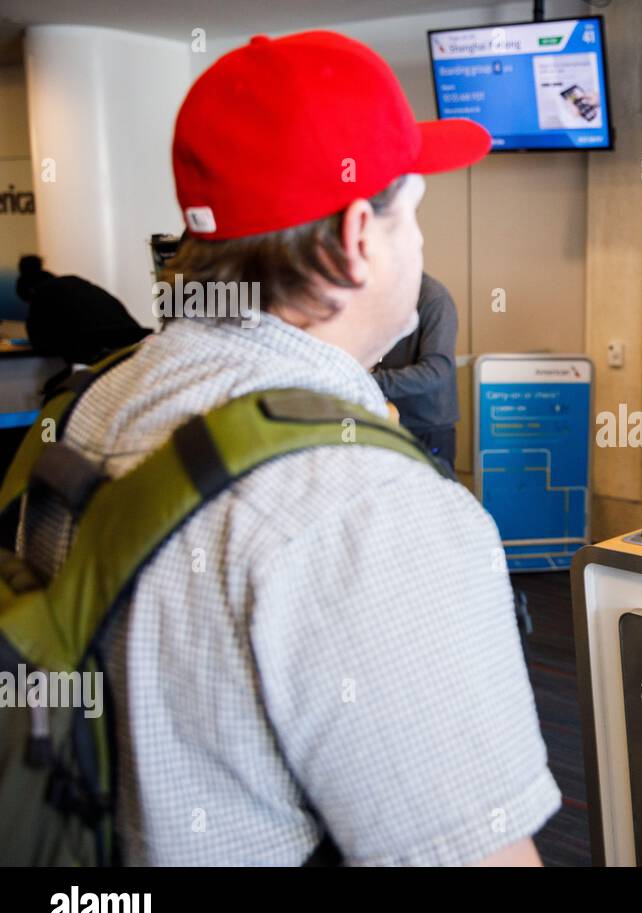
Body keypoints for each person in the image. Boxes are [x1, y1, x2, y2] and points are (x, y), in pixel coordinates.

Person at [18, 31, 559, 865]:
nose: (418, 244)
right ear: (358, 240)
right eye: (412, 212)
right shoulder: (370, 510)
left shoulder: (97, 400)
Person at [372, 272, 459, 466]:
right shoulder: (390, 296)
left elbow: (436, 371)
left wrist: (371, 382)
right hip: (391, 419)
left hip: (427, 427)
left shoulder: (434, 299)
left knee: (432, 495)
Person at [16, 255, 149, 379]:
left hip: (95, 346)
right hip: (132, 337)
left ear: (29, 291)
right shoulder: (77, 284)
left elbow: (39, 341)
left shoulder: (42, 293)